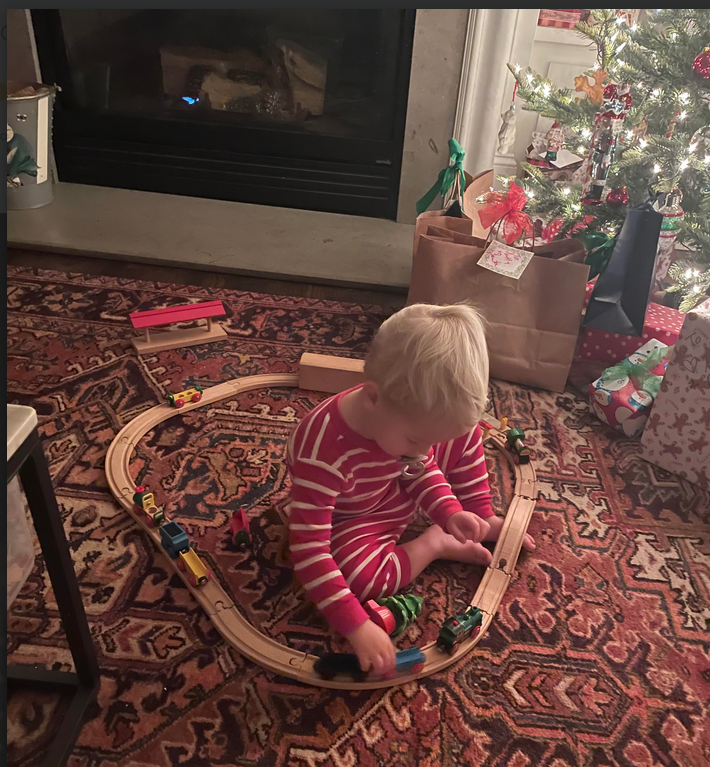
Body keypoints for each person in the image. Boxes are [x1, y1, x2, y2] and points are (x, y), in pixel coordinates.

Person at [286, 303, 535, 675]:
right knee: (357, 577)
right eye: (418, 439)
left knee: (464, 430)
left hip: (397, 480)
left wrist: (450, 511)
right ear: (372, 397)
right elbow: (309, 548)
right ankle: (434, 544)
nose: (427, 449)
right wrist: (356, 625)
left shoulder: (402, 425)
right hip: (359, 516)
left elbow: (421, 466)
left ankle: (479, 515)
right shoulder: (321, 452)